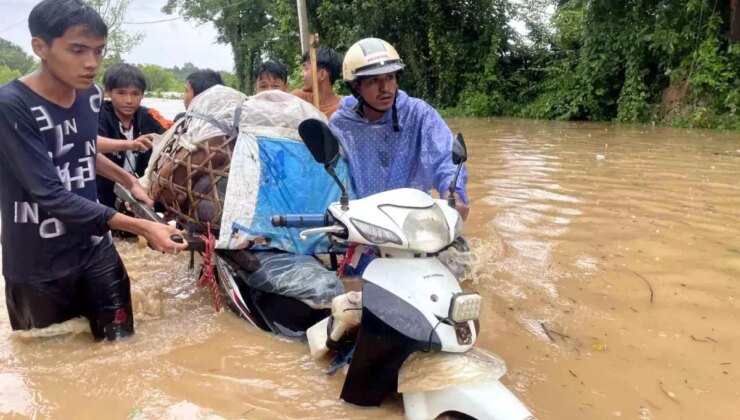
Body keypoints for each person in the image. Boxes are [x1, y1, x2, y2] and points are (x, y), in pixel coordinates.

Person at [0, 0, 187, 342]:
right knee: (54, 375)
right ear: (40, 46)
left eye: (99, 51)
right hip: (39, 266)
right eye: (78, 50)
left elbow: (82, 152)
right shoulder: (12, 105)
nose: (92, 63)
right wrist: (141, 226)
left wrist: (130, 181)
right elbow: (50, 194)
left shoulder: (90, 96)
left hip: (95, 249)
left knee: (122, 352)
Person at [329, 38, 470, 220]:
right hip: (362, 222)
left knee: (458, 248)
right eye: (373, 81)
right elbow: (332, 176)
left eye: (390, 77)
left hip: (415, 220)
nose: (385, 88)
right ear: (356, 86)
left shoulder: (418, 114)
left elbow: (443, 156)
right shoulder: (341, 125)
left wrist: (453, 193)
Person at [97, 63, 172, 209]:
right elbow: (88, 144)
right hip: (101, 193)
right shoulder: (97, 114)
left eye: (135, 93)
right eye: (121, 93)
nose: (129, 100)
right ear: (108, 92)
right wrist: (131, 144)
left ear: (143, 94)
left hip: (140, 191)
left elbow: (174, 132)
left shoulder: (151, 115)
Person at [291, 47, 342, 119]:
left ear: (322, 75)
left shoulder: (345, 109)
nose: (301, 74)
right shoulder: (298, 99)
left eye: (306, 68)